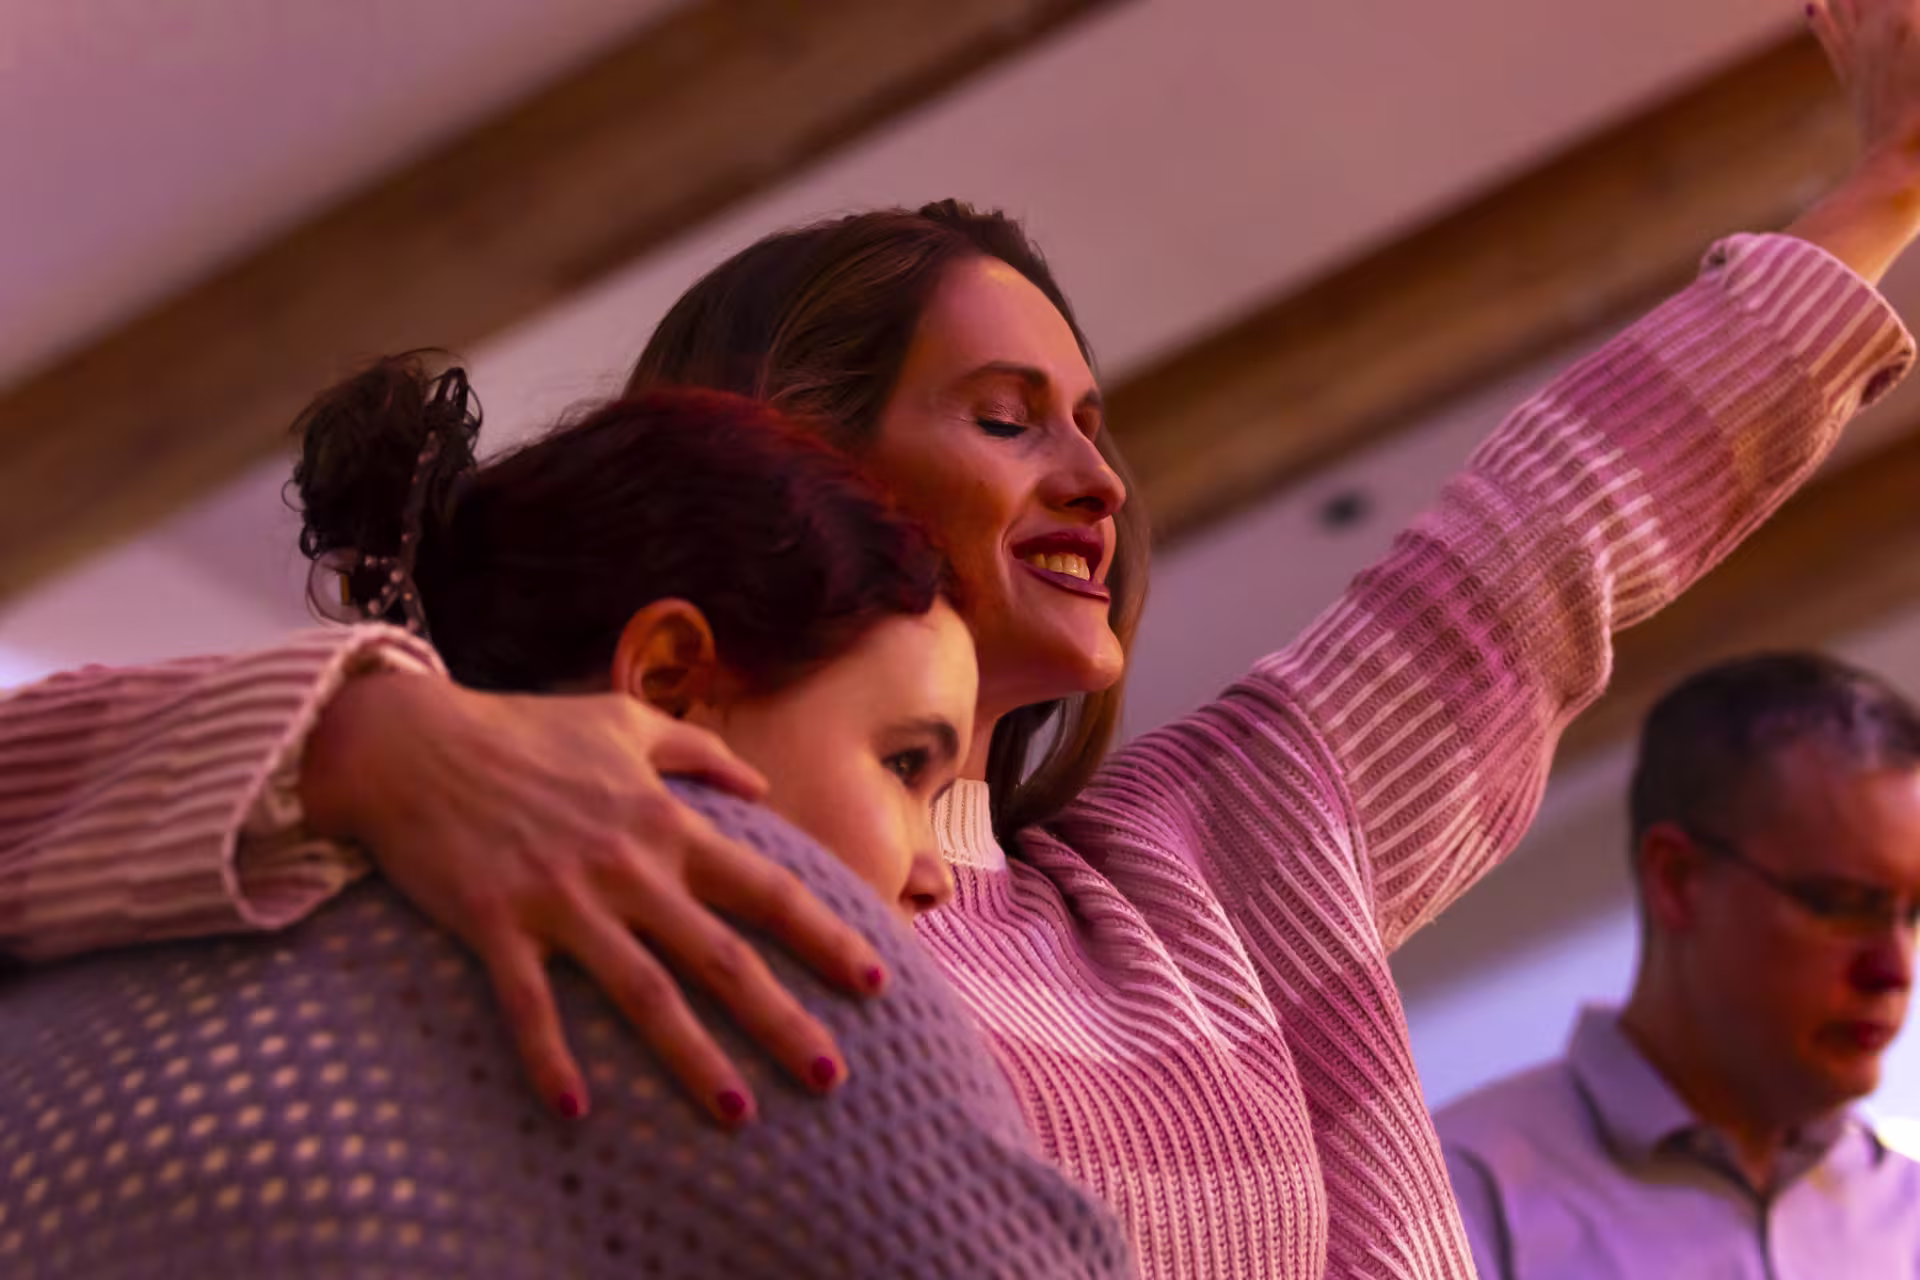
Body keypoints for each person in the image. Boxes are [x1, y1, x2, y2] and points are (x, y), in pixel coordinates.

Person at [7, 1, 1920, 1274]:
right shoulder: (520, 844)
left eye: (1100, 424)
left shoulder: (1210, 869)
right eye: (1009, 420)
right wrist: (377, 742)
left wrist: (1883, 184)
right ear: (780, 455)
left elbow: (1543, 543)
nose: (1099, 480)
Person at [0, 368, 1135, 1279]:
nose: (938, 871)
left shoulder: (184, 888)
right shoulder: (758, 968)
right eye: (900, 762)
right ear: (669, 675)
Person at [1434, 652, 1920, 1279]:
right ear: (1679, 879)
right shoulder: (1459, 1202)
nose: (1894, 969)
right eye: (1841, 905)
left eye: (1913, 915)